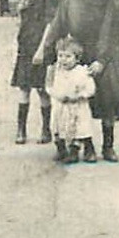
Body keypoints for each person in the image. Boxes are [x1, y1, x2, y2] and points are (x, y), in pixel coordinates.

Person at [35, 0, 119, 162]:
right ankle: (86, 146)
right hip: (78, 56)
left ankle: (108, 147)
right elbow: (57, 27)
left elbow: (109, 29)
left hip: (103, 55)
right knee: (79, 103)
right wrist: (46, 54)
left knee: (106, 101)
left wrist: (101, 60)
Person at [10, 0, 58, 146]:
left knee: (42, 89)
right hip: (26, 46)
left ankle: (46, 129)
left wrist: (41, 50)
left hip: (40, 48)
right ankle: (21, 129)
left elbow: (50, 24)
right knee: (24, 87)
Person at [47, 36, 97, 165]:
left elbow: (91, 88)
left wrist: (80, 95)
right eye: (60, 56)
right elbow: (49, 87)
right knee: (59, 127)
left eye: (68, 56)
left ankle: (82, 150)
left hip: (77, 105)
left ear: (77, 58)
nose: (63, 60)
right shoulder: (55, 71)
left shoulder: (82, 72)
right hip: (60, 105)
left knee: (80, 128)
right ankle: (61, 149)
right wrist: (57, 95)